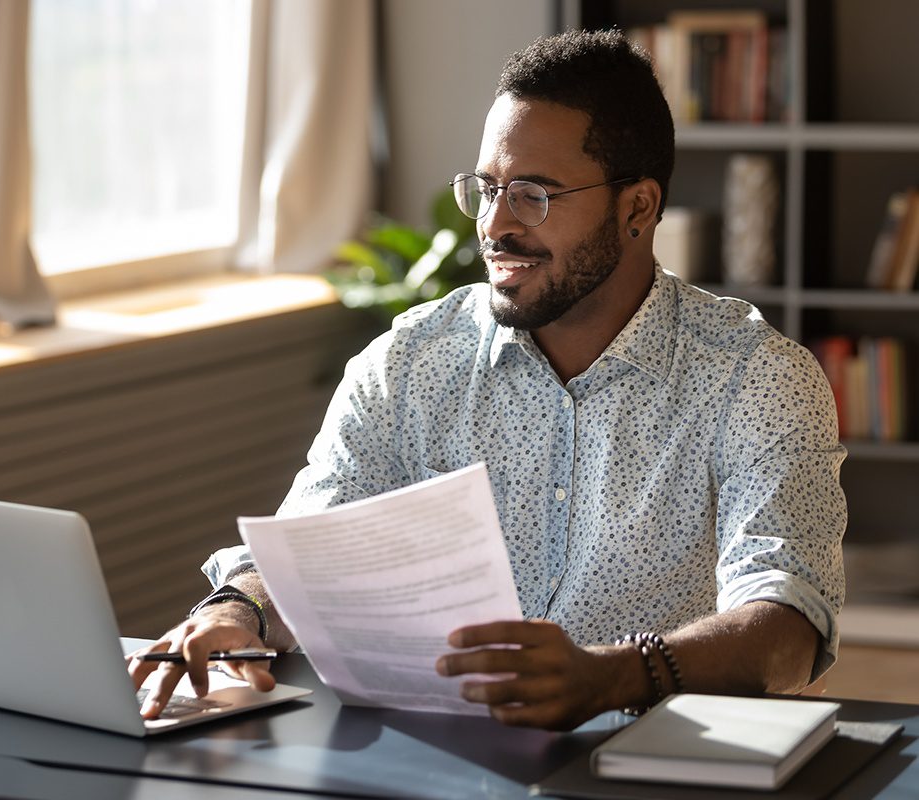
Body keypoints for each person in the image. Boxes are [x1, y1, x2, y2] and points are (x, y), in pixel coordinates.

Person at [128, 29, 846, 730]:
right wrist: (237, 609)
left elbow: (790, 622)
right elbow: (308, 551)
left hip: (651, 764)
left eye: (535, 194)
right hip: (437, 759)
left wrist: (613, 678)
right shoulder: (412, 360)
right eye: (488, 187)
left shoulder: (757, 377)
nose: (496, 225)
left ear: (637, 208)